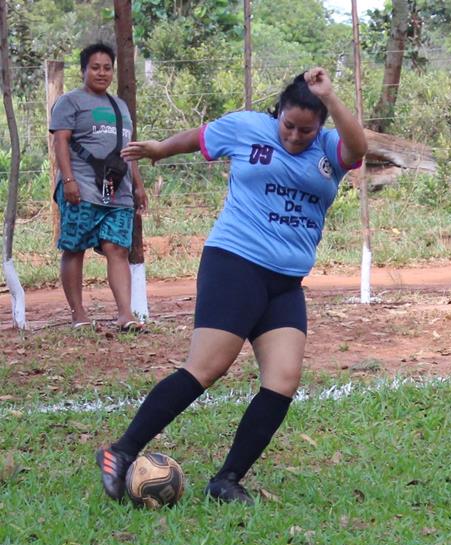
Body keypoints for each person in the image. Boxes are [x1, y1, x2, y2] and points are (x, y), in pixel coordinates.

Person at [95, 67, 367, 505]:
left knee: (283, 379)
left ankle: (226, 480)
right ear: (277, 113)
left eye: (306, 130)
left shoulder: (331, 148)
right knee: (207, 368)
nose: (296, 136)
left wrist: (332, 98)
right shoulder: (246, 127)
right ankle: (120, 451)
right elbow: (201, 136)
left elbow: (359, 148)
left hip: (285, 282)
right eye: (289, 125)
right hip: (234, 264)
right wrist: (160, 150)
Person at [50, 42, 147, 331]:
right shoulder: (70, 102)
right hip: (81, 187)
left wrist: (138, 186)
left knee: (117, 247)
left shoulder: (120, 106)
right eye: (95, 67)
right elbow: (61, 141)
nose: (102, 73)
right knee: (75, 247)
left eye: (107, 68)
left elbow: (127, 150)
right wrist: (68, 181)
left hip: (117, 190)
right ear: (83, 70)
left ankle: (125, 315)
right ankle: (79, 314)